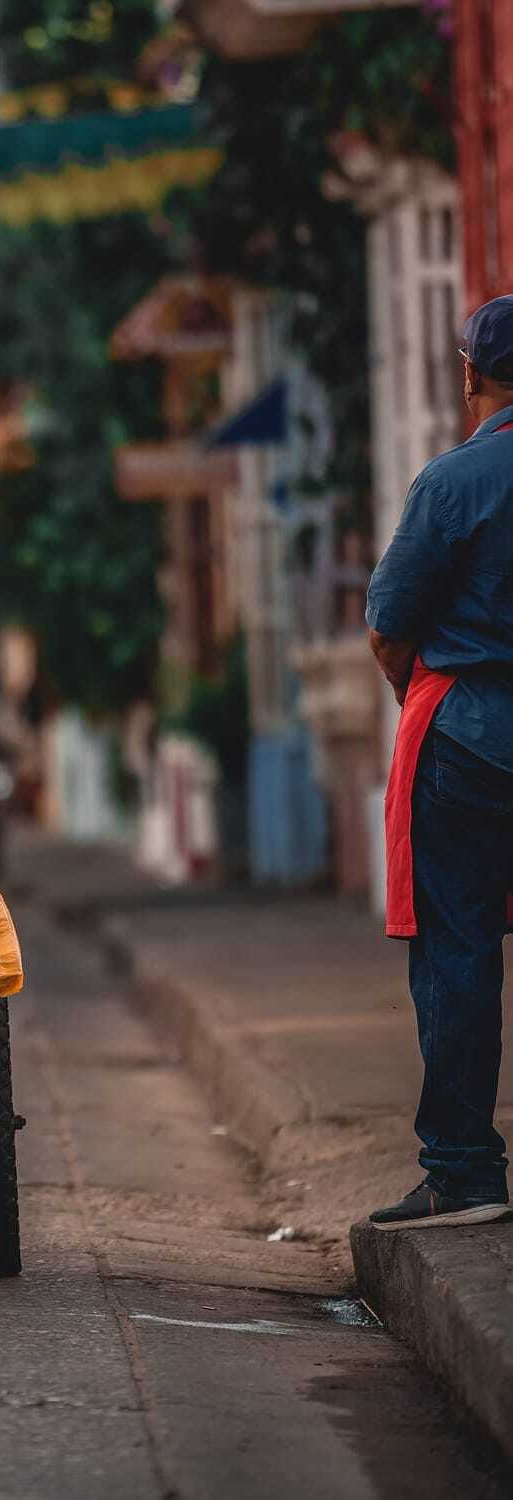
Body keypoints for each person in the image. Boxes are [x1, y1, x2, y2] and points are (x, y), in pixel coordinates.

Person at [364, 295, 513, 1230]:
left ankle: (464, 1173)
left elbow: (389, 626)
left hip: (469, 731)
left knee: (458, 952)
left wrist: (415, 699)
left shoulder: (456, 481)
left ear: (471, 374)